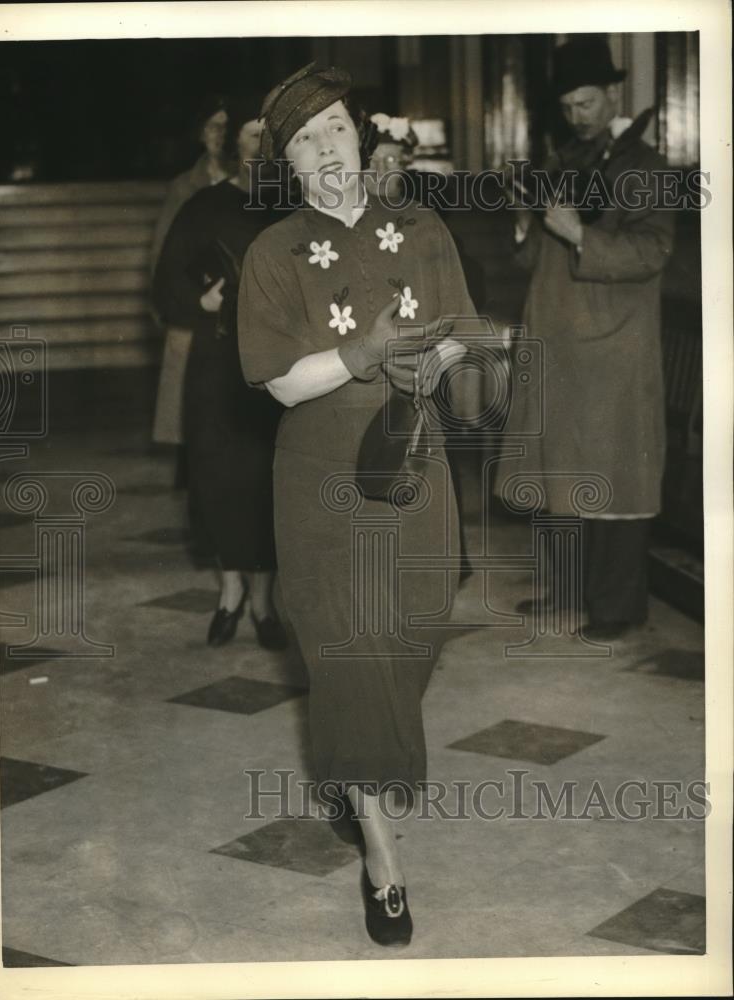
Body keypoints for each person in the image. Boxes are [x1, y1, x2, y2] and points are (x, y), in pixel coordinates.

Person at [237, 63, 481, 946]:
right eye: (304, 141)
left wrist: (433, 362)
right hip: (321, 478)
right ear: (289, 166)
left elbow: (464, 330)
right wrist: (364, 355)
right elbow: (276, 384)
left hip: (412, 462)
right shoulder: (272, 255)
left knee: (411, 631)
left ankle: (355, 772)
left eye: (334, 128)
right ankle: (382, 855)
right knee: (348, 651)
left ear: (361, 137)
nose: (325, 149)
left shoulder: (422, 227)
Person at [494, 37, 674, 641]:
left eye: (588, 102)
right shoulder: (564, 159)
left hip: (611, 346)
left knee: (613, 473)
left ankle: (616, 608)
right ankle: (569, 592)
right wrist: (528, 225)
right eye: (569, 105)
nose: (578, 115)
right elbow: (529, 262)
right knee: (557, 472)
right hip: (556, 340)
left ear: (613, 94)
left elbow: (651, 251)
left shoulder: (643, 167)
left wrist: (577, 235)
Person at [153, 108, 288, 651]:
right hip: (216, 369)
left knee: (270, 482)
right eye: (250, 137)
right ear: (235, 145)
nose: (259, 147)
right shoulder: (204, 205)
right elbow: (165, 287)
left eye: (267, 138)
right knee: (218, 479)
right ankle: (230, 592)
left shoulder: (292, 206)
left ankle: (264, 599)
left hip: (279, 369)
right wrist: (199, 300)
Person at [150, 98, 231, 452]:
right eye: (212, 127)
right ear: (200, 134)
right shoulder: (184, 186)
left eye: (226, 127)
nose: (219, 135)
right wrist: (168, 301)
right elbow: (162, 254)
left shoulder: (247, 181)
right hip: (196, 295)